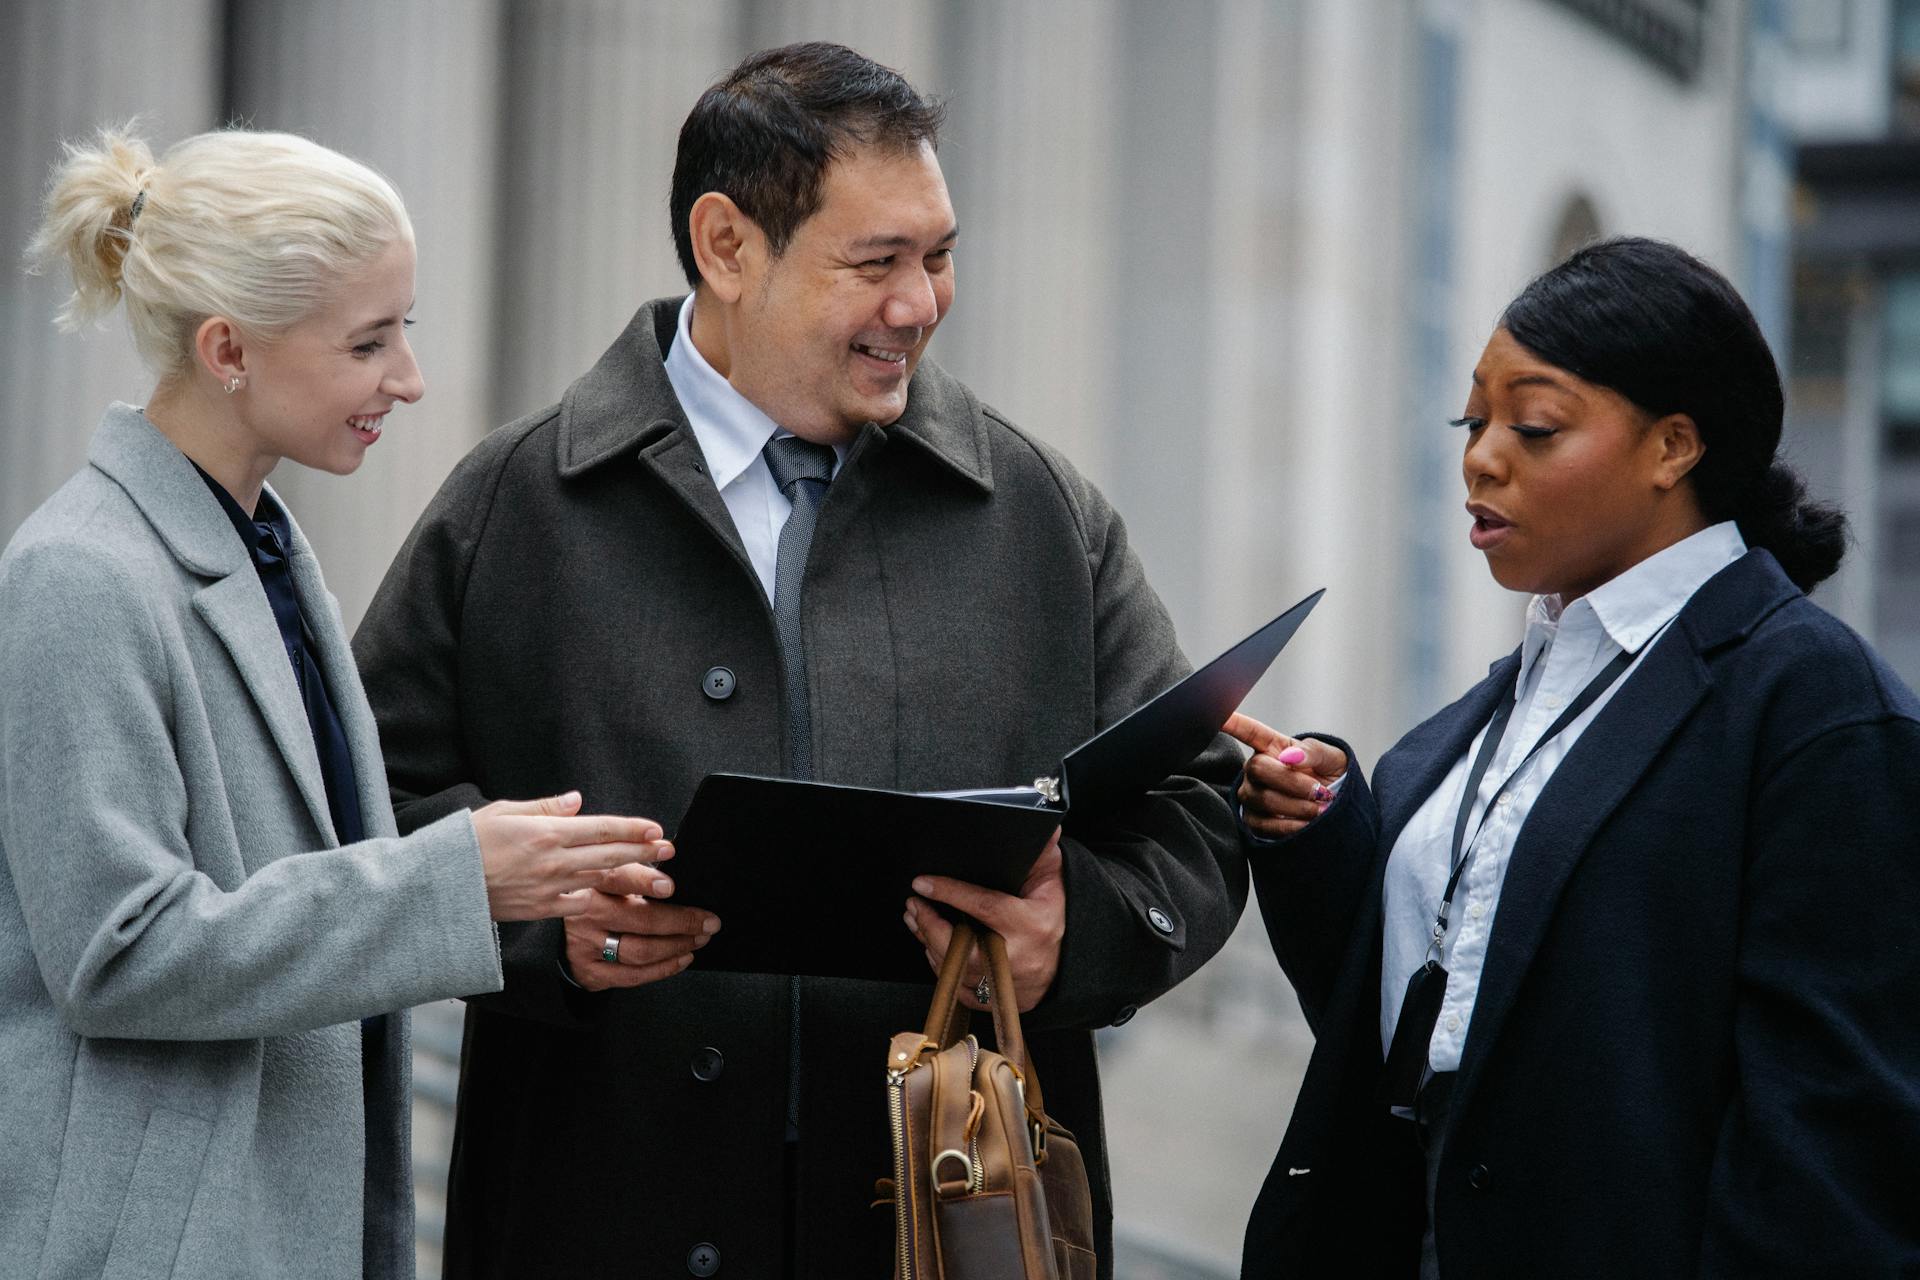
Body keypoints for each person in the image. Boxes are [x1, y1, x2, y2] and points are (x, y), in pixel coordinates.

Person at [353, 41, 1247, 1279]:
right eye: (876, 263)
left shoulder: (1040, 510)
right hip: (591, 1216)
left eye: (937, 257)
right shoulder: (515, 502)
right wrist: (538, 926)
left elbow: (1194, 807)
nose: (920, 304)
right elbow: (357, 804)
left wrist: (1071, 934)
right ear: (727, 246)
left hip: (941, 1234)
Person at [0, 127, 670, 1280]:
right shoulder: (82, 573)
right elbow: (119, 951)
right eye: (368, 341)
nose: (407, 377)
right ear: (228, 349)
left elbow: (292, 893)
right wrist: (460, 876)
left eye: (403, 328)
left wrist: (530, 896)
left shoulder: (263, 546)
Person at [1229, 237, 1920, 1277]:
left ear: (1672, 447)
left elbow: (1830, 1138)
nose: (1481, 456)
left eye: (1534, 424)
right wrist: (1320, 834)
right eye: (1473, 420)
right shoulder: (1499, 705)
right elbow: (1426, 1025)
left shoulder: (1812, 705)